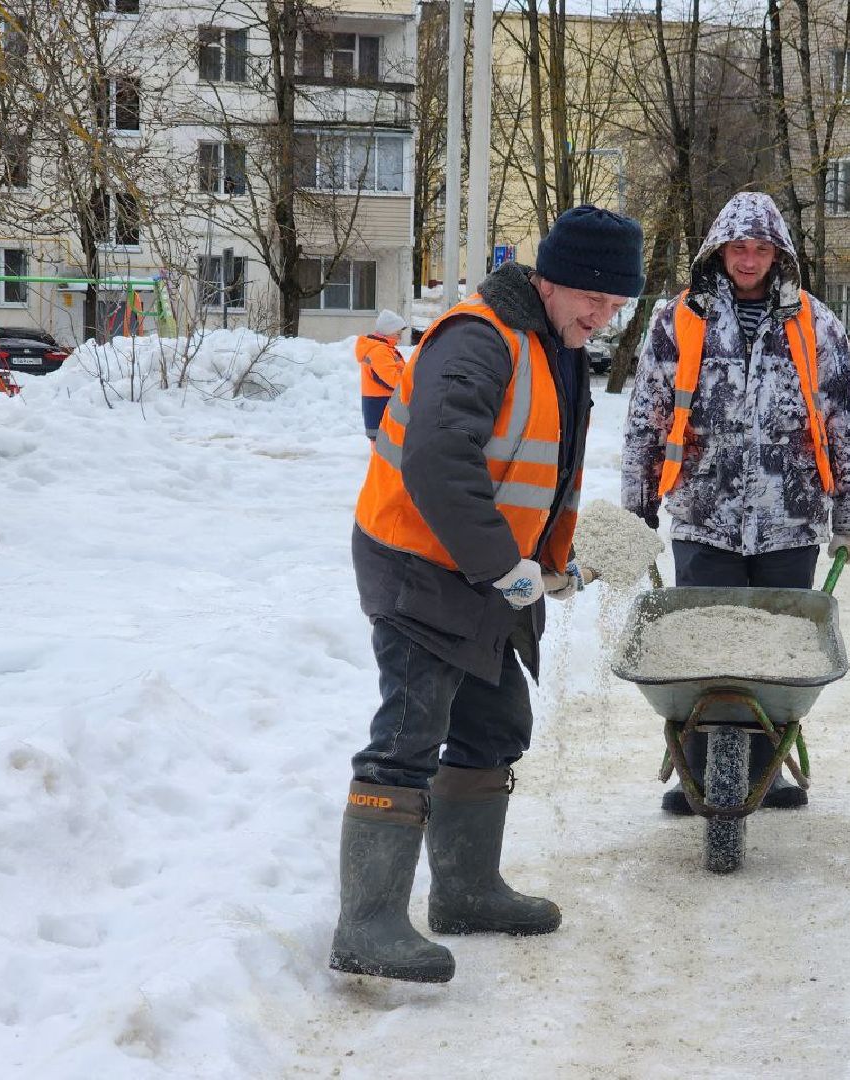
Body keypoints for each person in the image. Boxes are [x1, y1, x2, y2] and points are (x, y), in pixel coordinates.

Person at [331, 205, 645, 983]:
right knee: (410, 729)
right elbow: (439, 461)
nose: (602, 320)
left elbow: (533, 471)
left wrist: (552, 563)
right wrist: (504, 565)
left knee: (496, 722)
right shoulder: (479, 339)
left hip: (483, 566)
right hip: (417, 561)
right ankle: (365, 925)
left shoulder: (557, 346)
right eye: (593, 301)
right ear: (549, 280)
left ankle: (467, 891)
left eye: (615, 308)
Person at [622, 190, 850, 815]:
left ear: (779, 253)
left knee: (776, 657)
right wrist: (637, 504)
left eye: (762, 249)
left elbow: (844, 422)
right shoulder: (679, 319)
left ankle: (768, 770)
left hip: (791, 520)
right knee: (702, 654)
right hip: (704, 515)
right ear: (719, 251)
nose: (750, 260)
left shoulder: (817, 324)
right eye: (739, 248)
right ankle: (697, 773)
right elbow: (647, 416)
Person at [356, 309, 409, 441]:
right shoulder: (380, 351)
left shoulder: (386, 349)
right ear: (388, 332)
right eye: (398, 333)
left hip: (381, 401)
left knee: (385, 444)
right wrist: (412, 384)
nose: (400, 337)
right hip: (381, 403)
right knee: (383, 444)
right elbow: (392, 379)